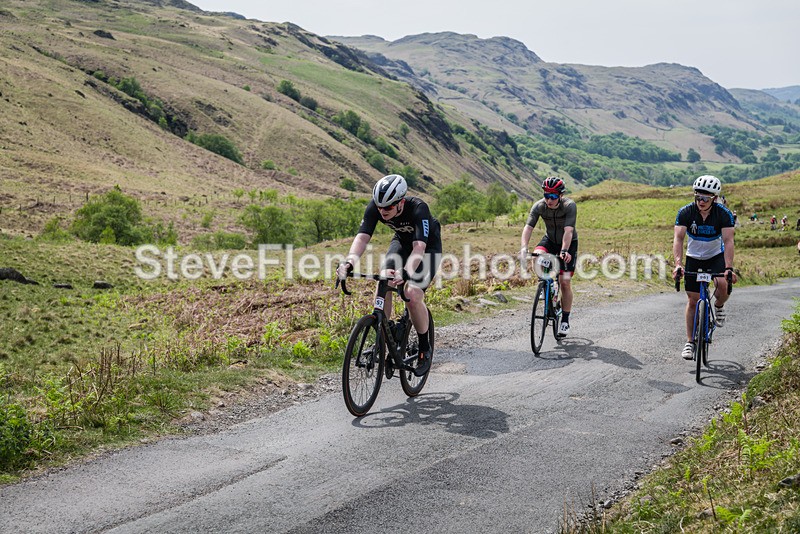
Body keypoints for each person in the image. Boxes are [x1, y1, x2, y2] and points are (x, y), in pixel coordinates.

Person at [337, 174, 442, 377]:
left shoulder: (419, 208)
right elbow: (362, 238)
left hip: (427, 248)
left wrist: (407, 271)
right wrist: (348, 262)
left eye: (388, 207)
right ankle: (384, 334)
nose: (382, 211)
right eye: (379, 207)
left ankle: (424, 348)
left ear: (401, 202)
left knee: (412, 294)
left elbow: (419, 247)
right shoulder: (376, 207)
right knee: (384, 280)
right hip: (402, 242)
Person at [672, 175, 738, 360]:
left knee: (722, 285)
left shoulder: (723, 214)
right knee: (693, 301)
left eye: (705, 198)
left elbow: (728, 241)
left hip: (715, 256)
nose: (701, 201)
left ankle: (719, 305)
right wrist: (678, 265)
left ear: (714, 198)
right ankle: (689, 342)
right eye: (698, 197)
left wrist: (728, 267)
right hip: (693, 257)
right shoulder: (686, 212)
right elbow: (678, 239)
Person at [519, 176, 578, 337]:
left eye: (553, 196)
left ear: (560, 195)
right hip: (550, 240)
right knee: (536, 256)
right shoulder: (539, 206)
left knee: (565, 282)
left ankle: (564, 320)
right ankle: (546, 282)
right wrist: (524, 247)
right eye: (546, 195)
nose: (549, 200)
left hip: (569, 244)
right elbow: (528, 228)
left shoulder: (569, 206)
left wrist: (564, 250)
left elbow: (568, 231)